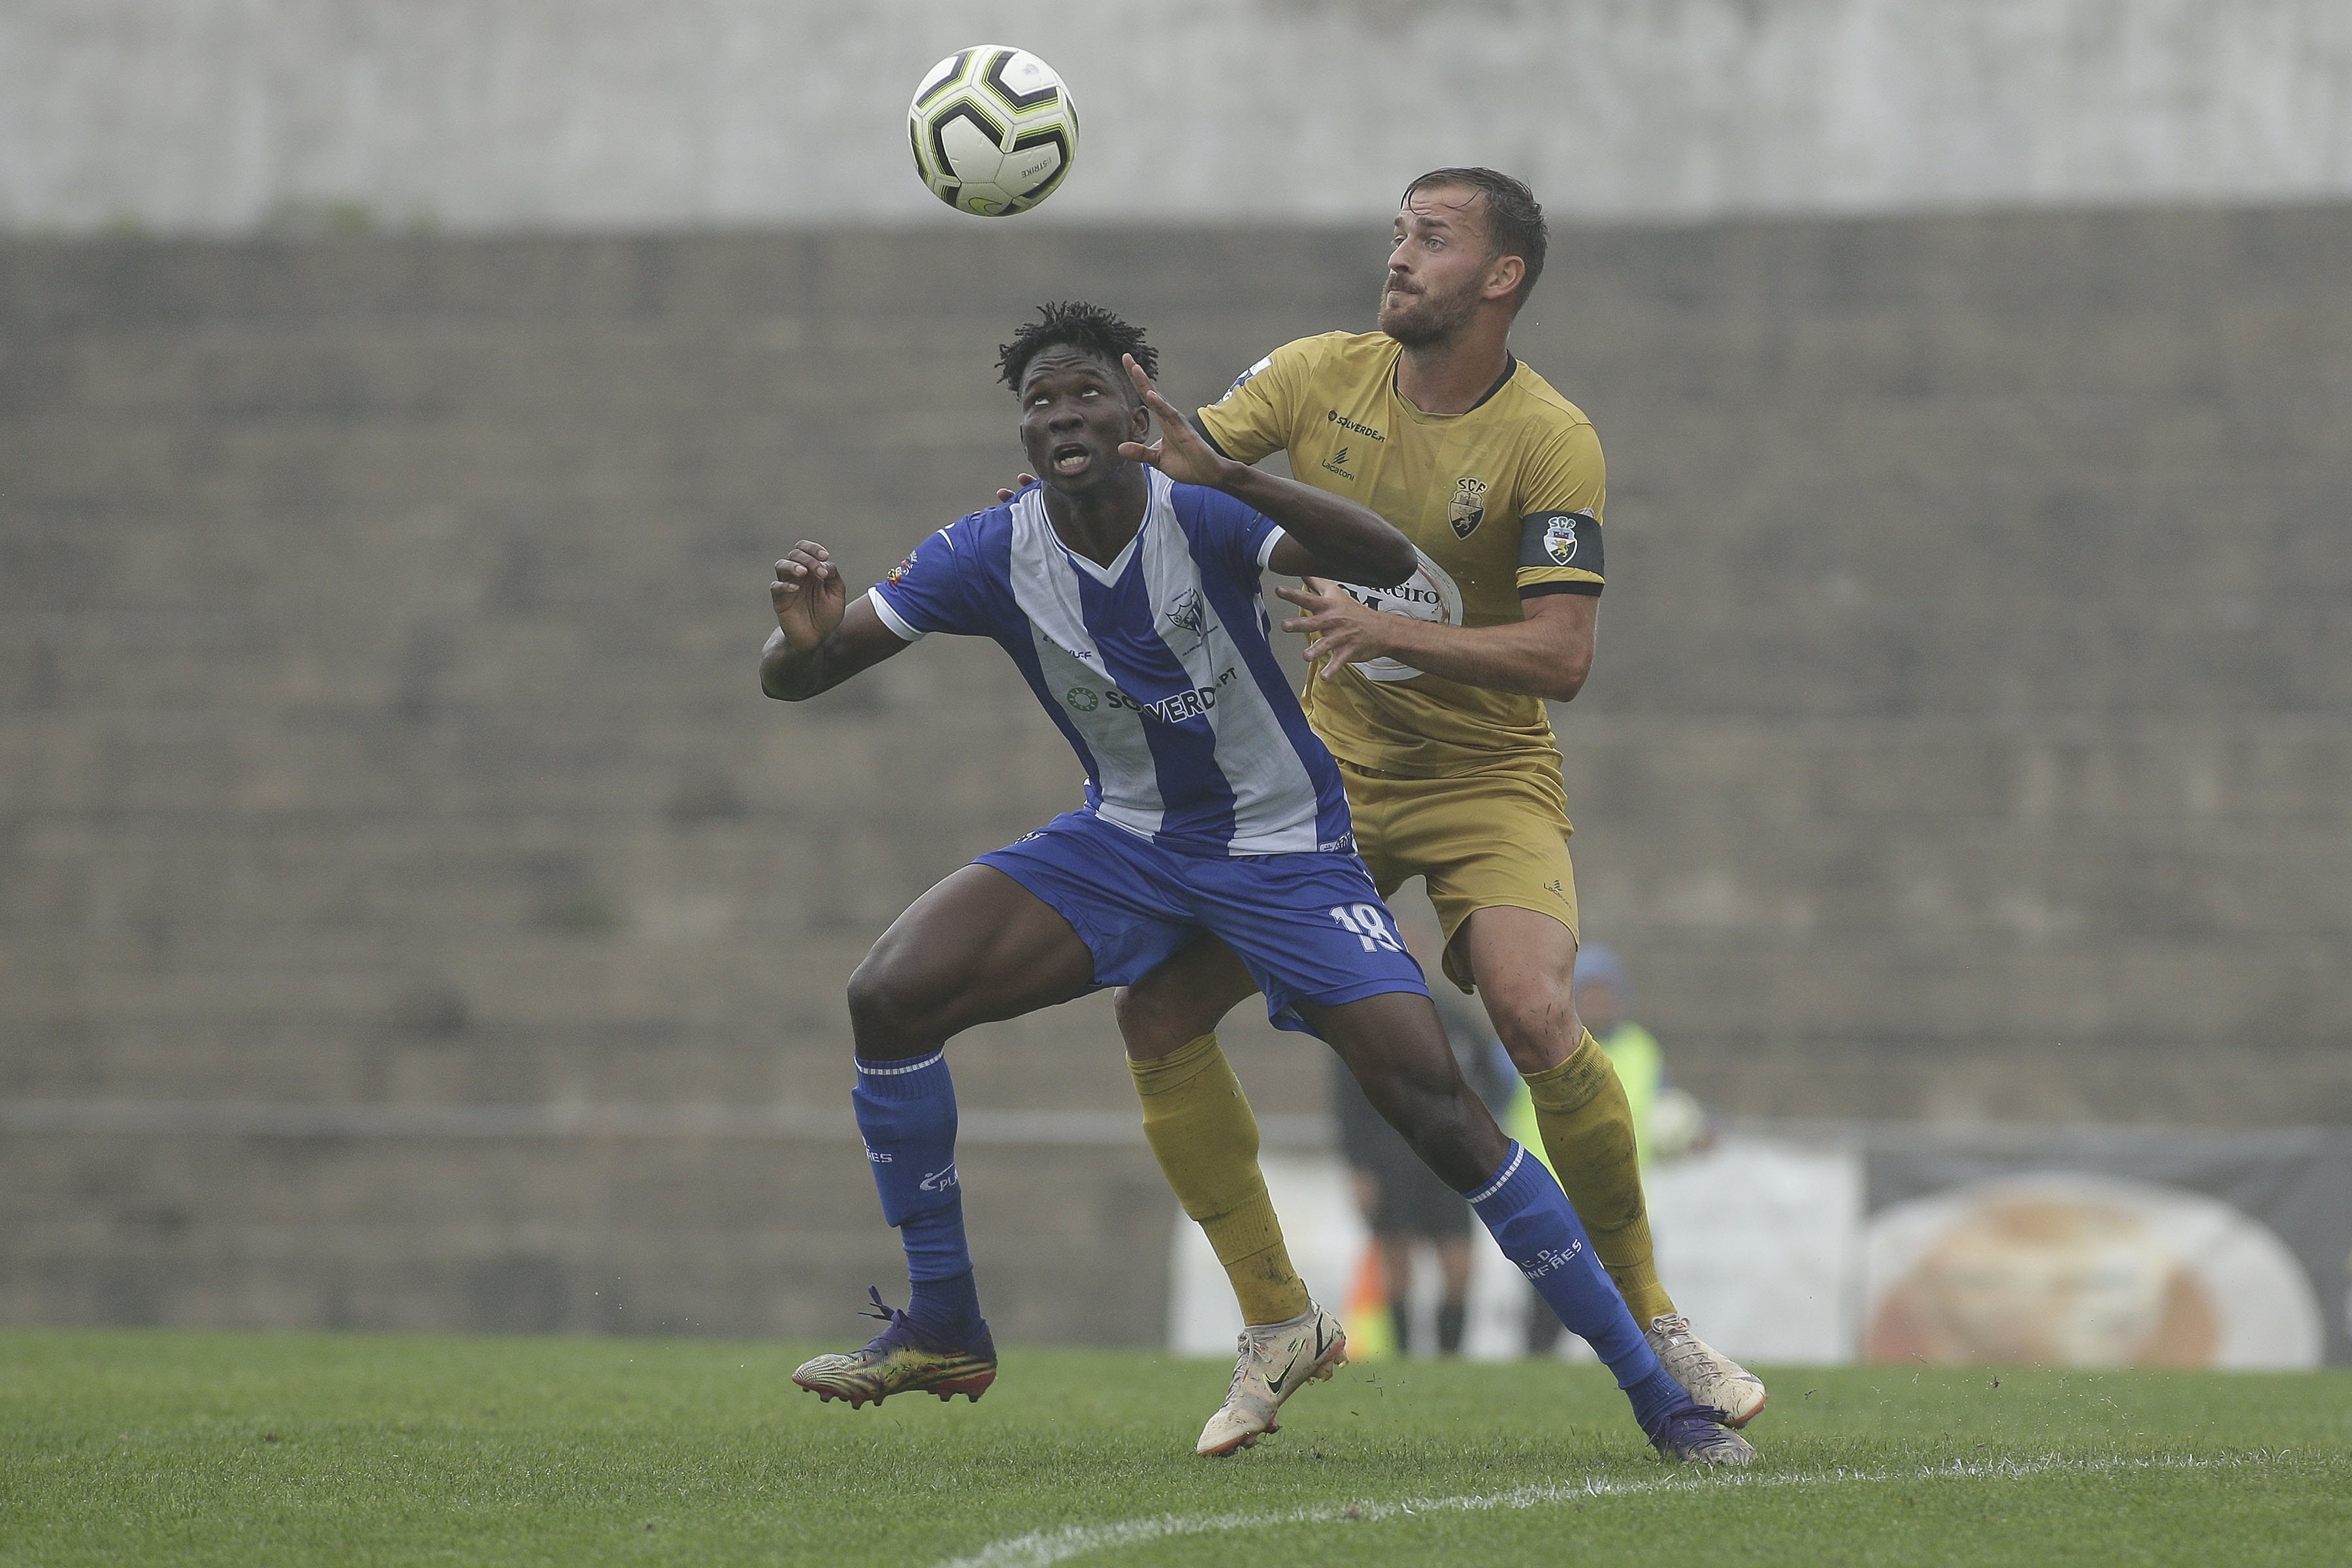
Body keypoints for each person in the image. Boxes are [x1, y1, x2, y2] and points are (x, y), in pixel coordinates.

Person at [761, 301, 1750, 1467]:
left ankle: (1661, 1394)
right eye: (1040, 403)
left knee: (1435, 1105)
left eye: (1089, 395)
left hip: (1285, 850)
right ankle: (947, 1320)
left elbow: (1387, 560)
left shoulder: (1207, 512)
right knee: (890, 994)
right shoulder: (991, 548)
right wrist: (802, 640)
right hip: (1125, 844)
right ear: (1022, 434)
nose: (1063, 416)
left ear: (1139, 416)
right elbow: (804, 677)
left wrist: (1234, 476)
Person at [1103, 169, 1768, 1428]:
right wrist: (1105, 453)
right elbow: (1175, 468)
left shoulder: (1550, 438)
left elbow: (1562, 657)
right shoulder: (1313, 374)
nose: (1399, 256)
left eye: (1433, 238)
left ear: (1501, 279)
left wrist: (1370, 621)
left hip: (1487, 775)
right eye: (1400, 232)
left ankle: (1658, 1324)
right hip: (1327, 770)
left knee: (1531, 1012)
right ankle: (1277, 1317)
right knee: (1160, 1008)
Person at [1331, 981, 1516, 1356]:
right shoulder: (1364, 1021)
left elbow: (1496, 1081)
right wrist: (1359, 1168)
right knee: (1397, 1268)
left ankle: (1450, 1360)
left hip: (1450, 1163)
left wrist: (1481, 1133)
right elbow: (1347, 1105)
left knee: (1459, 1268)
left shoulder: (1454, 1021)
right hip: (1392, 1164)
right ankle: (1405, 1360)